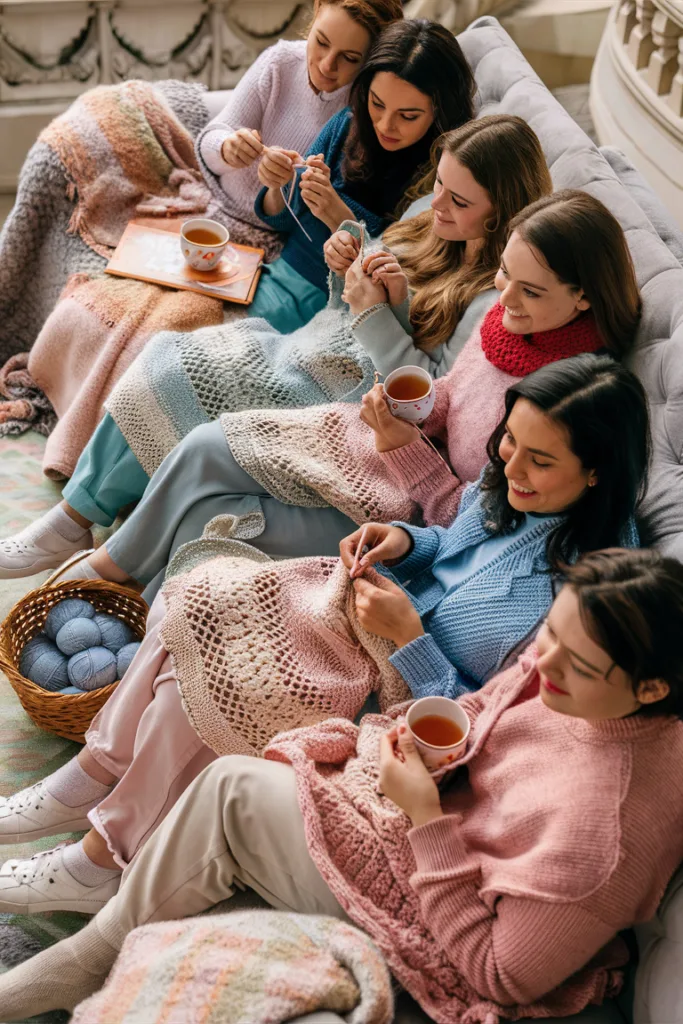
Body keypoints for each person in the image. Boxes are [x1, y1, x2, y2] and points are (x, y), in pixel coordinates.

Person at [0, 354, 650, 915]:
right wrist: (402, 541)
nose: (510, 467)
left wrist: (407, 639)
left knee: (225, 680)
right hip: (364, 620)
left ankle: (102, 858)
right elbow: (450, 548)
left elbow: (483, 730)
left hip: (395, 700)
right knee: (191, 599)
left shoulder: (585, 601)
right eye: (508, 443)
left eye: (538, 460)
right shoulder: (511, 487)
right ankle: (92, 774)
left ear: (597, 473)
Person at [2, 547, 683, 1023]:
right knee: (241, 742)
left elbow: (496, 973)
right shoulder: (583, 675)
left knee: (230, 790)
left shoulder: (607, 834)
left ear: (649, 689)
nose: (542, 663)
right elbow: (489, 708)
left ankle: (88, 950)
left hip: (439, 927)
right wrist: (423, 747)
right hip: (418, 829)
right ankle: (103, 887)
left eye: (570, 662)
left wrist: (424, 818)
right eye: (550, 638)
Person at [0, 18, 477, 579]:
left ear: (440, 114)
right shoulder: (350, 128)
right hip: (304, 288)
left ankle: (92, 529)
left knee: (194, 368)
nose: (385, 124)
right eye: (377, 104)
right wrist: (278, 185)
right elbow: (278, 216)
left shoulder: (438, 182)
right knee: (167, 353)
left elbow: (397, 280)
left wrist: (342, 224)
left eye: (408, 115)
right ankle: (78, 515)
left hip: (339, 332)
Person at [23, 189, 641, 598]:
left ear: (583, 295)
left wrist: (404, 447)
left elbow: (480, 526)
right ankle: (101, 569)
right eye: (505, 275)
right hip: (379, 449)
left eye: (530, 291)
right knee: (207, 444)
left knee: (208, 522)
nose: (504, 302)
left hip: (411, 516)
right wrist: (411, 410)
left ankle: (117, 616)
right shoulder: (506, 324)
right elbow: (451, 396)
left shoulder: (574, 401)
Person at [195, 0, 404, 260]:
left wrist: (286, 186)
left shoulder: (367, 109)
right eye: (321, 42)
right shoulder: (280, 62)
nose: (327, 65)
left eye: (349, 58)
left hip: (279, 247)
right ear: (314, 19)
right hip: (213, 207)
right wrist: (226, 147)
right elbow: (209, 142)